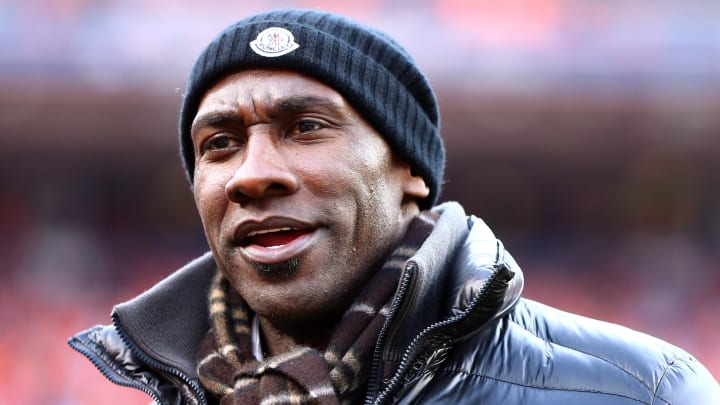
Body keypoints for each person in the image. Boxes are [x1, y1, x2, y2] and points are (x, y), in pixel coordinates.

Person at [69, 8, 720, 405]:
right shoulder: (156, 387)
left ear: (410, 171)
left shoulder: (639, 391)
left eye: (306, 127)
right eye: (219, 144)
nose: (252, 174)